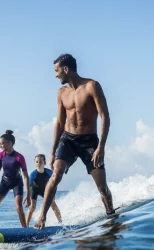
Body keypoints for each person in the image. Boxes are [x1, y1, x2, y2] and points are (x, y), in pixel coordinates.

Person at [34, 54, 116, 229]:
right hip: (68, 140)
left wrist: (101, 146)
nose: (55, 75)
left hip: (90, 142)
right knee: (56, 173)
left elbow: (105, 117)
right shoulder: (62, 93)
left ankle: (111, 216)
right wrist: (53, 150)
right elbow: (59, 122)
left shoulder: (91, 86)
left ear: (66, 68)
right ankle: (42, 218)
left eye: (56, 70)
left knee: (102, 187)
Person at [0, 130, 31, 229]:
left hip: (17, 183)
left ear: (10, 143)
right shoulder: (1, 155)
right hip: (5, 182)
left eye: (3, 143)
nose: (1, 145)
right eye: (0, 143)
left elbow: (25, 176)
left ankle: (25, 230)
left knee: (18, 207)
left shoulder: (19, 157)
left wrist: (28, 194)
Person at [25, 154, 62, 227]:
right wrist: (28, 197)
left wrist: (53, 194)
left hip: (46, 191)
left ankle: (60, 223)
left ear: (44, 163)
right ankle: (26, 226)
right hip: (35, 190)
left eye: (41, 161)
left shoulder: (50, 172)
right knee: (32, 207)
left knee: (53, 205)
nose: (38, 163)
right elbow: (29, 187)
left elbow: (55, 184)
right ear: (35, 163)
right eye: (37, 162)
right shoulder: (32, 174)